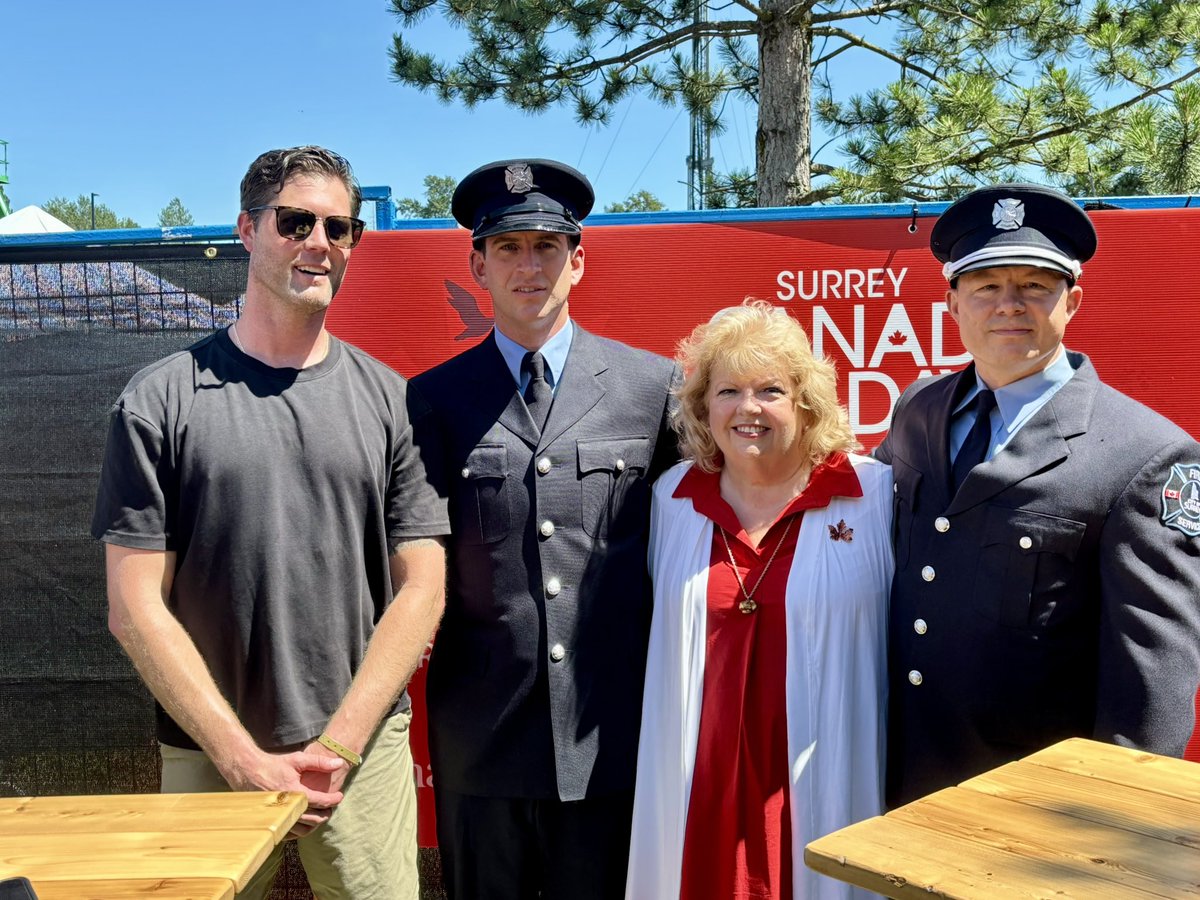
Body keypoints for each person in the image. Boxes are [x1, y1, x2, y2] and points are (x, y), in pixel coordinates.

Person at [91, 146, 448, 899]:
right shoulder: (159, 400)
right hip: (205, 749)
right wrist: (239, 756)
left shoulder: (393, 403)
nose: (320, 243)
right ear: (248, 230)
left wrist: (339, 744)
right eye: (296, 222)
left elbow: (423, 590)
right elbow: (133, 606)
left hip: (359, 753)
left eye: (340, 229)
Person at [875, 183, 1200, 809]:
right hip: (898, 785)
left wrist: (1118, 830)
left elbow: (1150, 687)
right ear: (952, 303)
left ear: (1072, 300)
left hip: (1033, 810)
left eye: (1034, 286)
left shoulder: (1148, 457)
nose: (1009, 305)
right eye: (986, 287)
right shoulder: (918, 409)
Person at [411, 158, 678, 899]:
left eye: (546, 246)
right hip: (482, 742)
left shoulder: (652, 389)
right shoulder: (432, 400)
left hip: (611, 735)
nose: (529, 266)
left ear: (578, 259)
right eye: (507, 248)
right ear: (477, 264)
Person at [626, 300, 895, 900]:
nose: (747, 409)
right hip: (700, 786)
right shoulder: (672, 498)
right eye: (727, 392)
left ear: (805, 401)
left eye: (769, 389)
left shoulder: (874, 495)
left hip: (822, 778)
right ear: (702, 406)